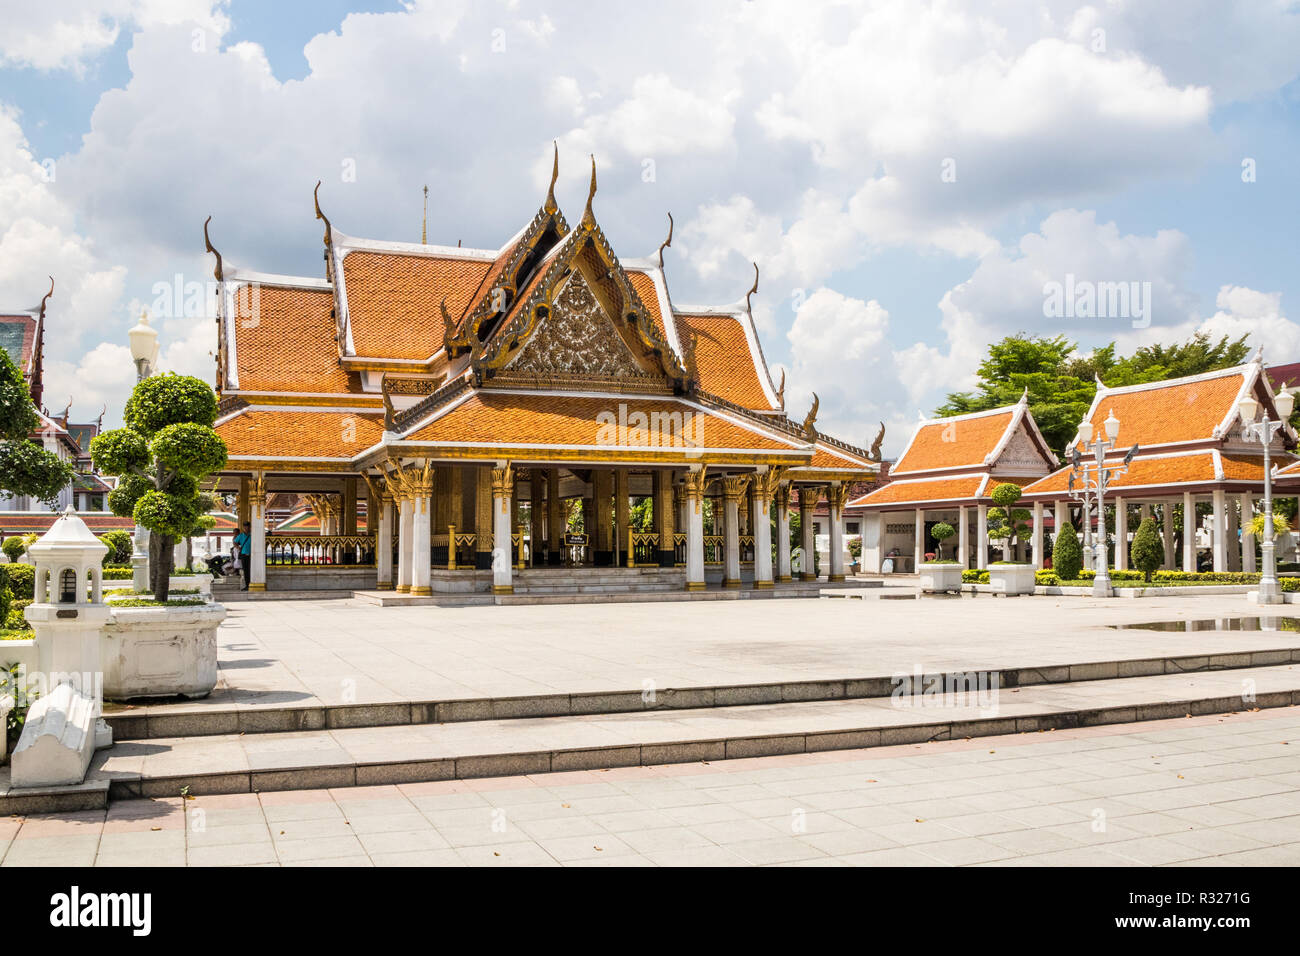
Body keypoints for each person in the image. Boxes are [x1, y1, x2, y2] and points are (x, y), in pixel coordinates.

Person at [233, 522, 252, 590]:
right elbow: (235, 542)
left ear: (250, 527)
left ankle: (252, 584)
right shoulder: (241, 536)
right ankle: (247, 585)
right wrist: (238, 547)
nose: (246, 528)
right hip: (244, 555)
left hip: (252, 555)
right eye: (245, 527)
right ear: (243, 528)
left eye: (248, 527)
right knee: (246, 571)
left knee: (251, 570)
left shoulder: (252, 535)